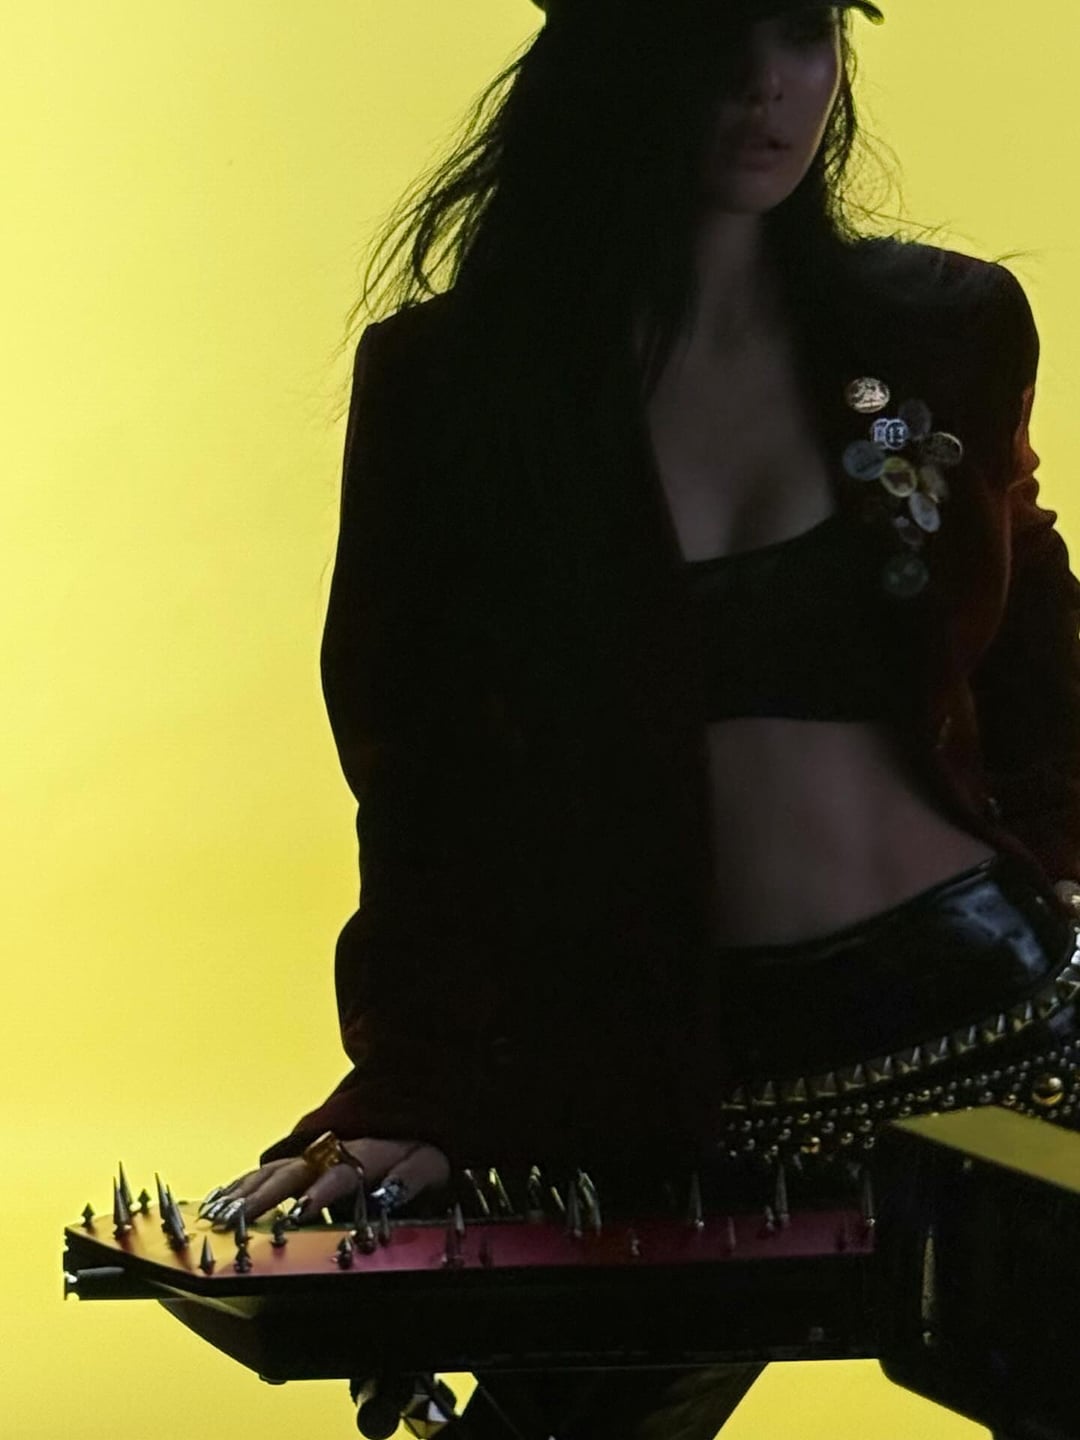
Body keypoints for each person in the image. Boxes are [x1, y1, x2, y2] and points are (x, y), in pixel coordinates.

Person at [204, 1, 1080, 1435]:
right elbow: (417, 782)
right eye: (703, 36)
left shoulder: (945, 328)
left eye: (801, 29)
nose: (763, 86)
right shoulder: (455, 387)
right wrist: (426, 1087)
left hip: (998, 1023)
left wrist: (1068, 861)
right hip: (661, 1071)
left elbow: (1038, 655)